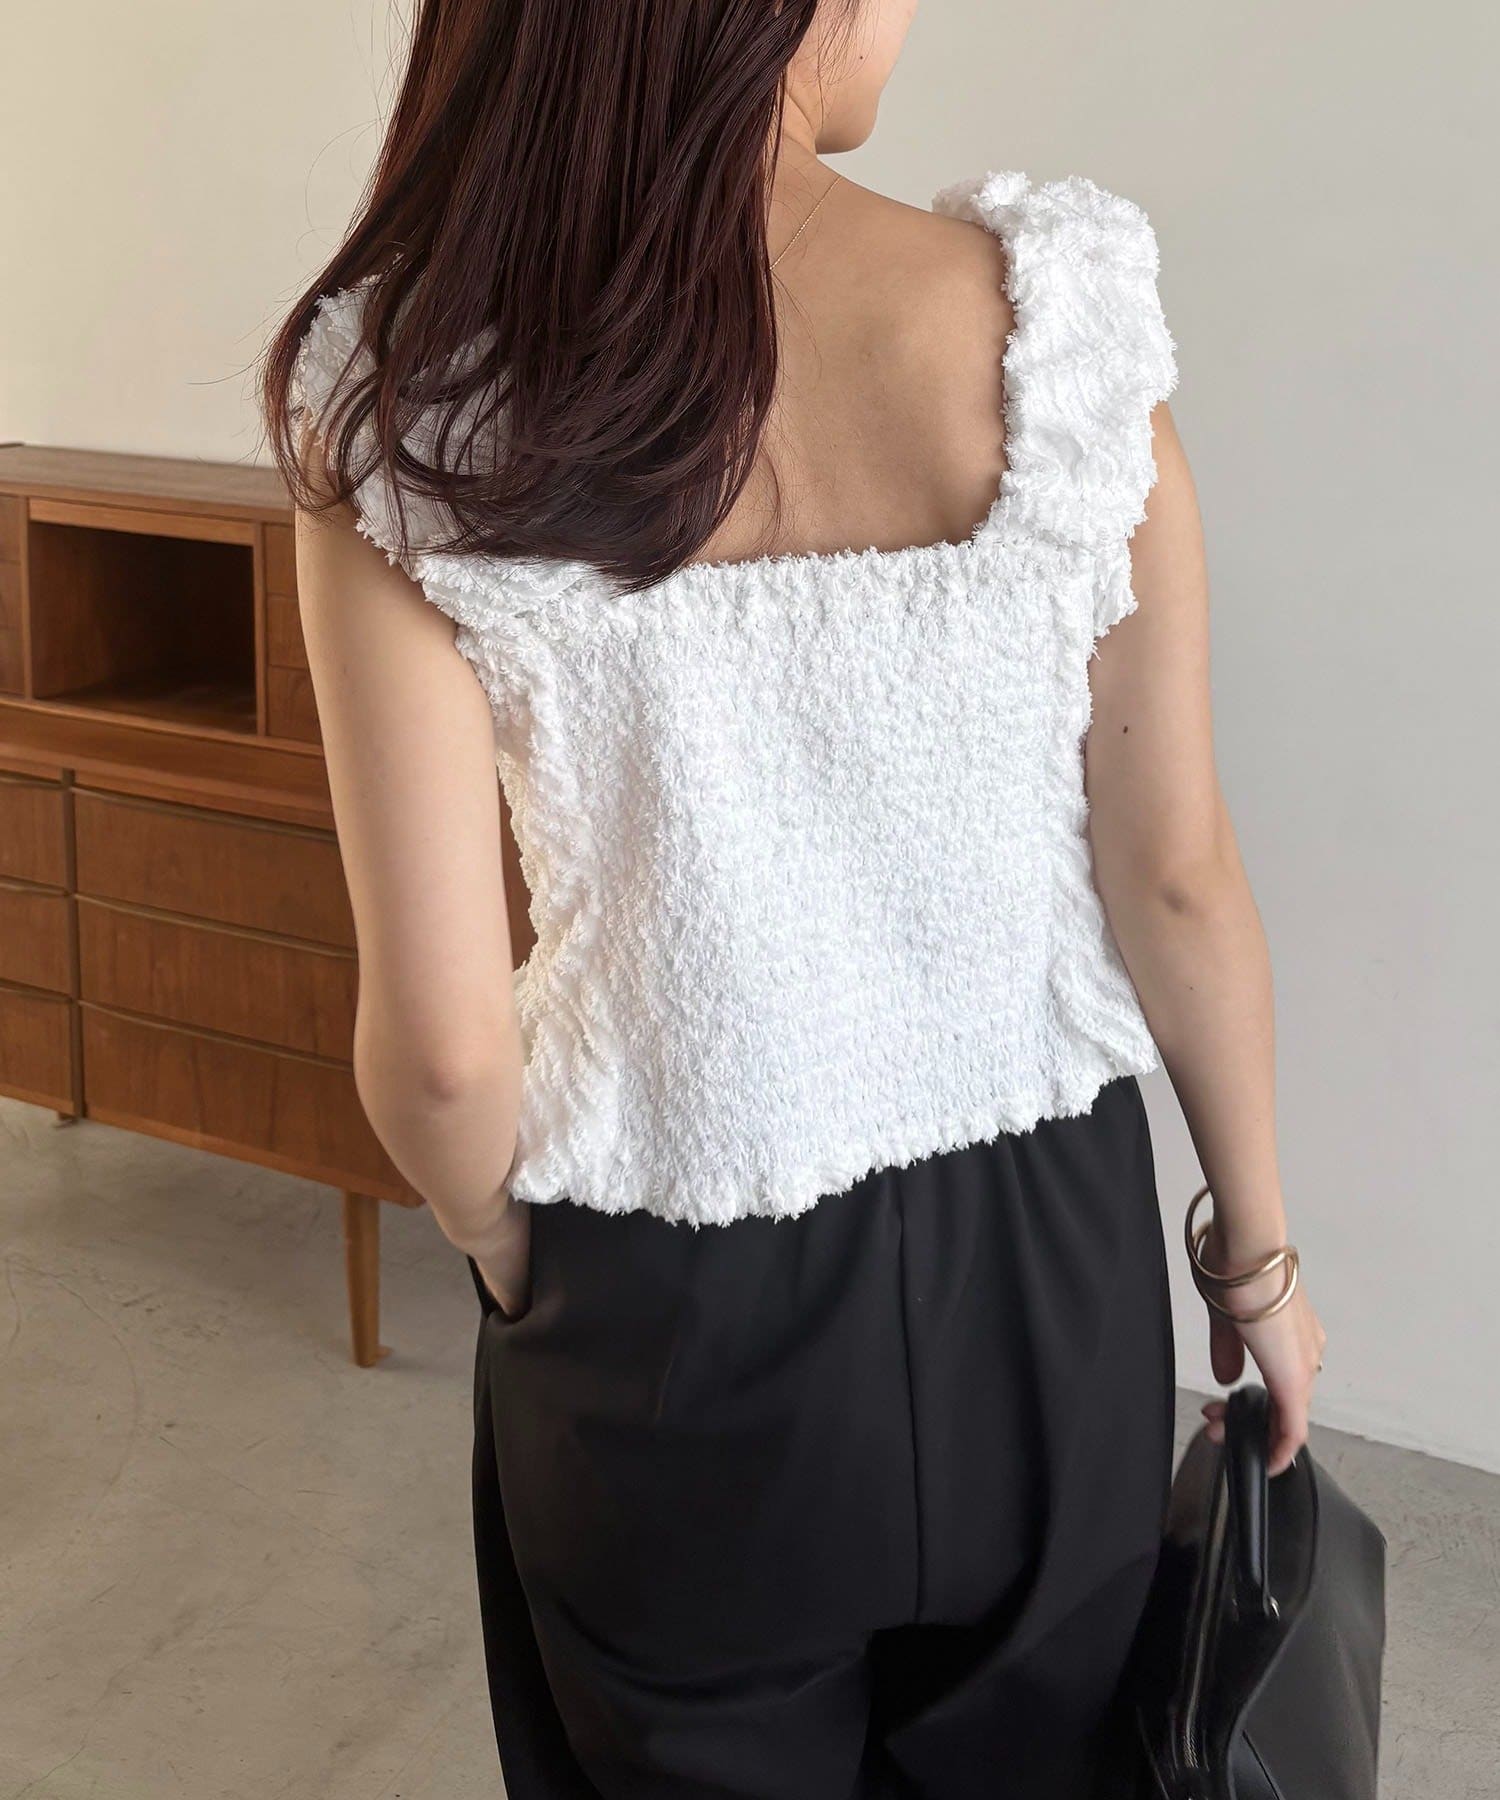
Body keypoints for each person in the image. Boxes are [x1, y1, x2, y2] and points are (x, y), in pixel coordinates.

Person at [260, 2, 1325, 1793]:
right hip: (1044, 1275)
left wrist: (523, 1264)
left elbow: (439, 1055)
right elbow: (1177, 878)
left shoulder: (411, 403)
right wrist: (1257, 1257)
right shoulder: (1054, 327)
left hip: (669, 1289)